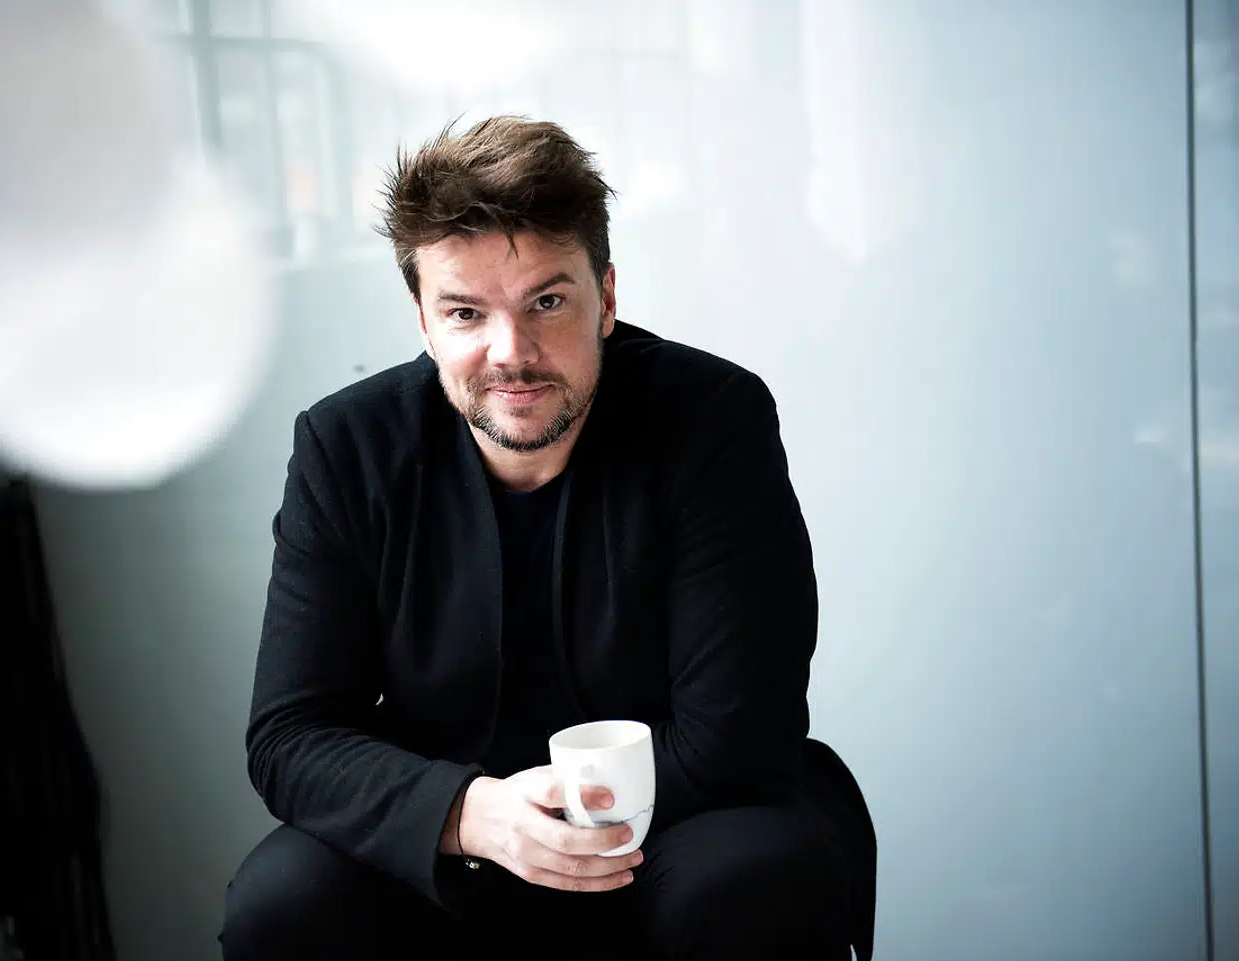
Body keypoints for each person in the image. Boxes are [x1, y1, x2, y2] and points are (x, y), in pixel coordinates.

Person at [222, 116, 875, 961]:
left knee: (751, 880)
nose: (511, 352)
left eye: (547, 301)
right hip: (453, 837)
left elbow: (740, 731)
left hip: (681, 821)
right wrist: (472, 813)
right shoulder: (346, 447)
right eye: (465, 312)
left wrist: (556, 817)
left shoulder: (714, 418)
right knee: (282, 901)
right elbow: (291, 735)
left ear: (608, 297)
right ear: (423, 321)